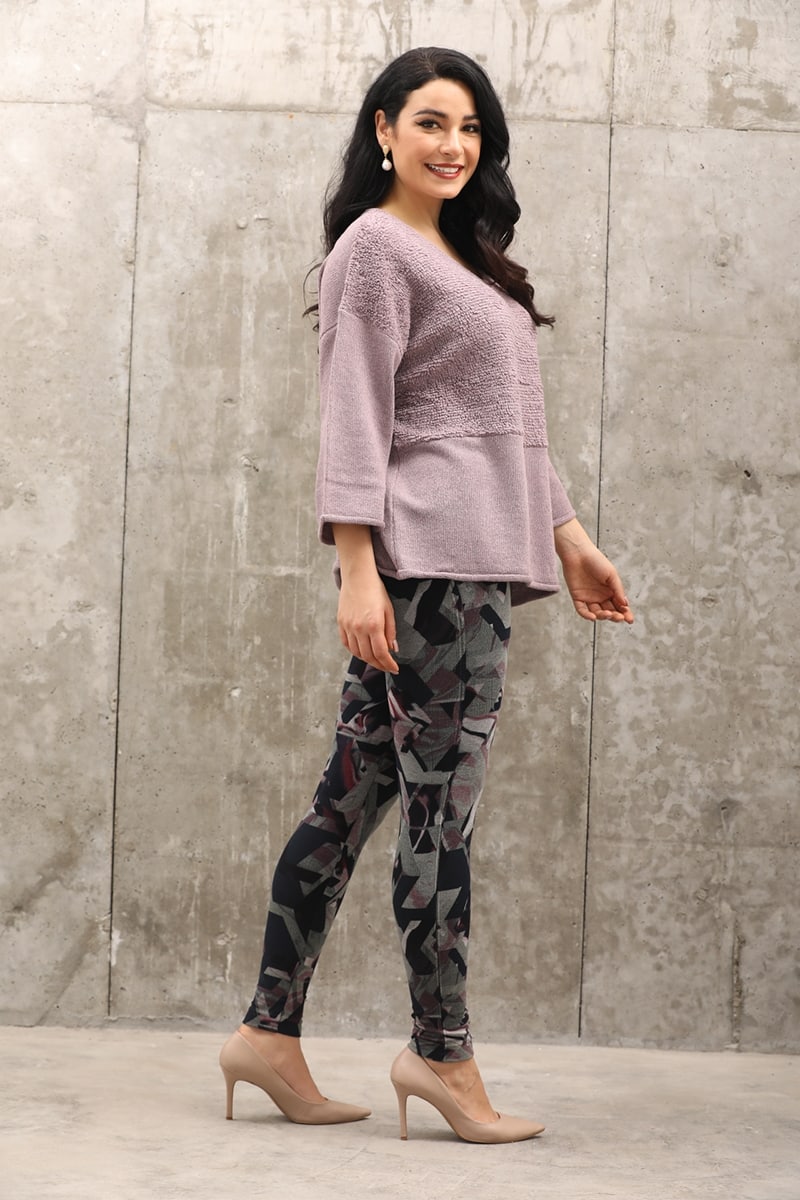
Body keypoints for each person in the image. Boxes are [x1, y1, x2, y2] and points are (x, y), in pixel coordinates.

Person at [219, 45, 634, 1144]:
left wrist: (572, 540)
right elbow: (354, 416)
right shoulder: (374, 246)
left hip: (473, 557)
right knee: (440, 818)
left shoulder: (467, 254)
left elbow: (509, 429)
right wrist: (356, 569)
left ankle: (266, 1034)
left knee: (350, 800)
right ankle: (441, 1056)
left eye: (471, 128)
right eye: (432, 123)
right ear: (384, 131)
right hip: (431, 570)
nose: (454, 145)